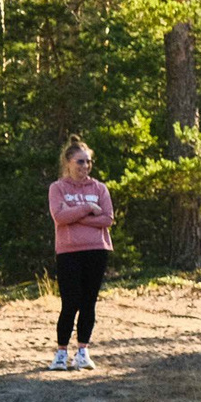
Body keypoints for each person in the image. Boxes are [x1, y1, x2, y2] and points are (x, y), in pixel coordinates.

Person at [47, 135, 114, 371]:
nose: (85, 167)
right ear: (68, 163)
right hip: (69, 252)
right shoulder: (58, 188)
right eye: (80, 162)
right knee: (70, 302)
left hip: (96, 250)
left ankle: (83, 352)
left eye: (88, 162)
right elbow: (59, 217)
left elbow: (107, 219)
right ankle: (61, 353)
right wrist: (88, 209)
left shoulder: (100, 188)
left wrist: (75, 214)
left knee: (88, 302)